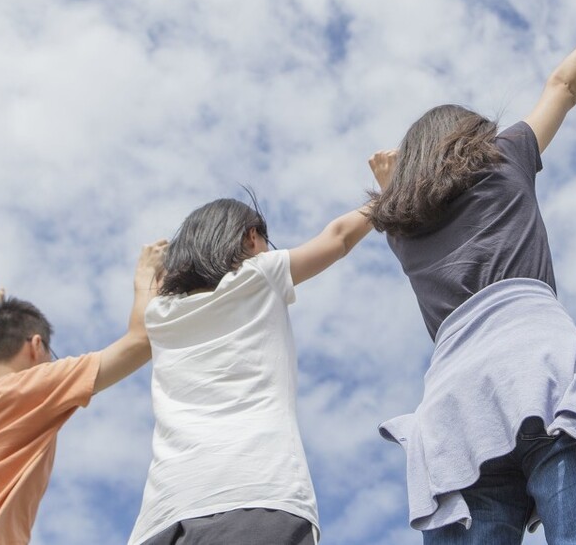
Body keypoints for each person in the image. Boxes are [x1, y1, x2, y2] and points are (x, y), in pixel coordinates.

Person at [368, 0, 576, 545]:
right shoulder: (502, 158)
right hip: (541, 370)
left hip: (455, 408)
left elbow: (400, 202)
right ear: (471, 136)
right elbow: (563, 86)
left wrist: (391, 182)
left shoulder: (400, 231)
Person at [127, 178, 390, 545]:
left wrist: (145, 273)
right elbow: (339, 238)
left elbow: (137, 330)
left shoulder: (160, 314)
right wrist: (387, 191)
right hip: (256, 495)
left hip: (162, 518)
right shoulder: (258, 274)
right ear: (251, 238)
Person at [0, 241, 169, 545]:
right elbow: (140, 341)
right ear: (36, 346)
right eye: (51, 354)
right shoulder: (31, 389)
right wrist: (145, 275)